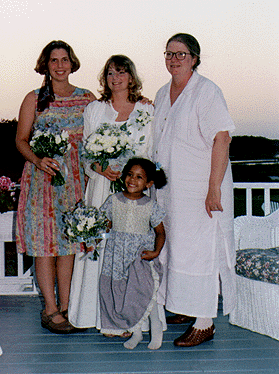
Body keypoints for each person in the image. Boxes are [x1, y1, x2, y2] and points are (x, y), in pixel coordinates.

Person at [153, 33, 236, 347]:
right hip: (171, 191)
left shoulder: (207, 91)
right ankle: (185, 307)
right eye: (169, 53)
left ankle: (205, 322)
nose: (174, 60)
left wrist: (213, 189)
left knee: (200, 252)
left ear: (195, 59)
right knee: (176, 249)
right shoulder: (163, 93)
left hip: (202, 188)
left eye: (181, 54)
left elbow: (222, 139)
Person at [15, 40, 96, 334]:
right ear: (45, 65)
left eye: (64, 60)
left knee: (69, 244)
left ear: (72, 63)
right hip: (42, 180)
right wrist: (39, 160)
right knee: (45, 245)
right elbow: (21, 140)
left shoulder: (87, 98)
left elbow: (107, 121)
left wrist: (142, 102)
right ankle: (49, 308)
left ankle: (67, 306)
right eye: (54, 60)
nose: (60, 66)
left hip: (74, 179)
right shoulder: (34, 98)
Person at [68, 55, 154, 330]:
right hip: (102, 188)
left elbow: (148, 151)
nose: (115, 78)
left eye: (121, 72)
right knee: (100, 247)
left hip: (133, 193)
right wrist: (100, 167)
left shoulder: (145, 110)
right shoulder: (95, 109)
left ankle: (129, 318)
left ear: (131, 76)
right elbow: (86, 151)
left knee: (129, 252)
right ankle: (94, 316)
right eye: (110, 74)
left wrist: (131, 175)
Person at [99, 158, 167, 349]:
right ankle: (135, 332)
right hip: (117, 257)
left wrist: (155, 252)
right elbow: (105, 227)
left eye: (139, 177)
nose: (132, 180)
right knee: (125, 296)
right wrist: (93, 240)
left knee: (144, 293)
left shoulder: (150, 205)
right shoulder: (113, 201)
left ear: (148, 184)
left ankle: (156, 328)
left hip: (139, 257)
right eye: (130, 174)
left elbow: (160, 232)